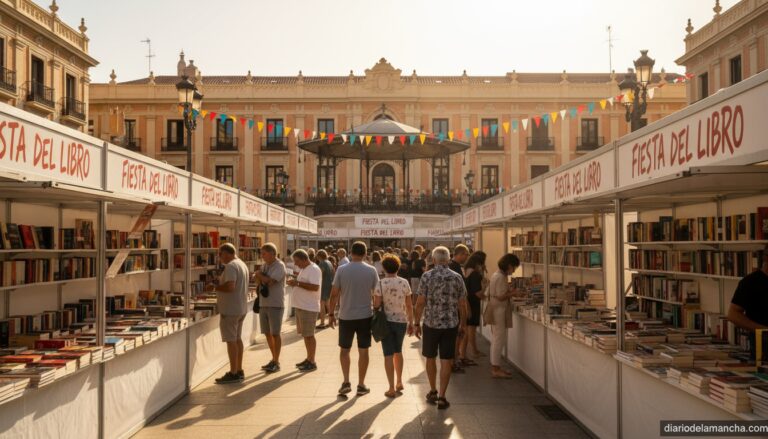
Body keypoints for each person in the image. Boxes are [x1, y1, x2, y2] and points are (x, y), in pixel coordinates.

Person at [414, 246, 468, 410]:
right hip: (451, 324)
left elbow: (420, 302)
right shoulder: (457, 277)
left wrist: (416, 322)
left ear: (434, 259)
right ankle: (443, 397)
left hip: (431, 323)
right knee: (447, 360)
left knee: (430, 357)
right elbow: (462, 304)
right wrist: (463, 324)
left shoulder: (427, 276)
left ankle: (432, 390)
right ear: (448, 259)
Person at [328, 241, 379, 396]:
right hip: (365, 315)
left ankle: (345, 382)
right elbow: (376, 294)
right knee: (363, 350)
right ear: (365, 254)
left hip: (346, 315)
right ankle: (361, 384)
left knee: (345, 350)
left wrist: (331, 313)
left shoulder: (342, 270)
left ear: (351, 252)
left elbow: (334, 294)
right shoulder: (371, 270)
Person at [373, 254, 415, 398]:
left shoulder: (380, 284)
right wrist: (411, 322)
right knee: (398, 351)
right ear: (398, 267)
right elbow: (409, 305)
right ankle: (399, 381)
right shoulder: (404, 283)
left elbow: (376, 305)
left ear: (384, 267)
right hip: (401, 321)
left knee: (388, 355)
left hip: (386, 322)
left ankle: (391, 387)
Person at [209, 243, 250, 384]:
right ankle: (238, 369)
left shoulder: (231, 266)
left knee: (231, 341)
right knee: (237, 339)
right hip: (240, 308)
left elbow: (230, 286)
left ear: (226, 253)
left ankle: (233, 372)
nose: (219, 258)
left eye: (220, 255)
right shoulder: (241, 264)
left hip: (231, 309)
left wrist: (216, 287)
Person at [728, 245, 768, 359]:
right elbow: (733, 314)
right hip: (763, 347)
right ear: (766, 258)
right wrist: (763, 330)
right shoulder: (750, 282)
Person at [252, 243, 286, 374]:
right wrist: (260, 277)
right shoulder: (264, 266)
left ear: (272, 253)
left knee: (275, 333)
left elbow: (270, 282)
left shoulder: (279, 266)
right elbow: (258, 280)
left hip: (275, 304)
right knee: (267, 333)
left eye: (264, 253)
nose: (262, 256)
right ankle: (273, 359)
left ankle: (276, 362)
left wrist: (260, 276)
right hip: (263, 304)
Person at [486, 253, 521, 378]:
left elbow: (493, 293)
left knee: (497, 339)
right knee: (498, 340)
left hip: (496, 309)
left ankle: (496, 366)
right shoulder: (501, 277)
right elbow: (500, 297)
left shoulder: (497, 274)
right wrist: (513, 293)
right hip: (498, 311)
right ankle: (495, 369)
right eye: (514, 267)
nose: (514, 270)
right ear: (509, 266)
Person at [287, 249, 322, 372]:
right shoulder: (305, 269)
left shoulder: (313, 269)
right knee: (305, 335)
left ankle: (312, 360)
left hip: (309, 307)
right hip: (302, 306)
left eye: (297, 261)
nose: (296, 264)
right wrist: (296, 281)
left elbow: (315, 286)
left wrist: (297, 283)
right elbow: (304, 283)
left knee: (309, 335)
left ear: (304, 259)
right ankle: (309, 358)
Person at [460, 251, 487, 364]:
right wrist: (485, 287)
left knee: (467, 328)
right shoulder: (475, 274)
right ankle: (473, 351)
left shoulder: (466, 271)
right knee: (471, 329)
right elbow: (477, 292)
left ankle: (465, 353)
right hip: (473, 302)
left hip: (467, 302)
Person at [447, 244, 470, 374]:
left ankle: (454, 360)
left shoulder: (454, 267)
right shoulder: (455, 269)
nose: (467, 257)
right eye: (466, 254)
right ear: (460, 254)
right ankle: (454, 361)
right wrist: (466, 310)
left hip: (453, 308)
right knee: (458, 336)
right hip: (456, 308)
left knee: (457, 336)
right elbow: (461, 294)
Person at [316, 250, 334, 329]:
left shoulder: (322, 263)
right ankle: (330, 320)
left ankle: (322, 322)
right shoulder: (329, 262)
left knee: (322, 303)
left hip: (323, 285)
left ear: (319, 256)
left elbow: (320, 275)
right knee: (327, 303)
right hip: (329, 284)